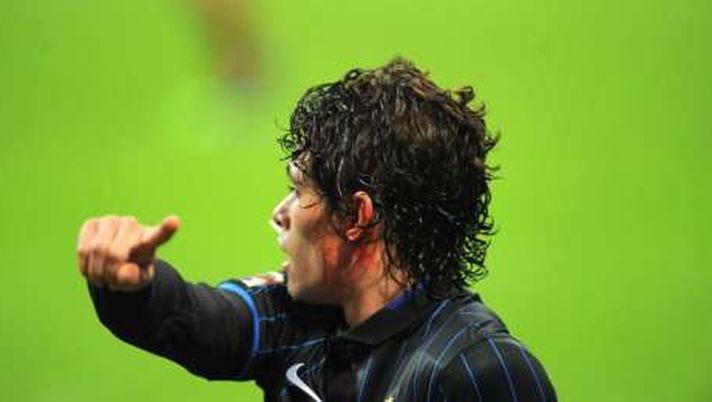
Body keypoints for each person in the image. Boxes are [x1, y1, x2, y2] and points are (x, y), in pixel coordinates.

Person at [77, 58, 557, 402]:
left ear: (357, 216)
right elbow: (191, 320)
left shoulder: (473, 371)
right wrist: (133, 286)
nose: (279, 213)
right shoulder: (298, 319)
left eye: (298, 190)